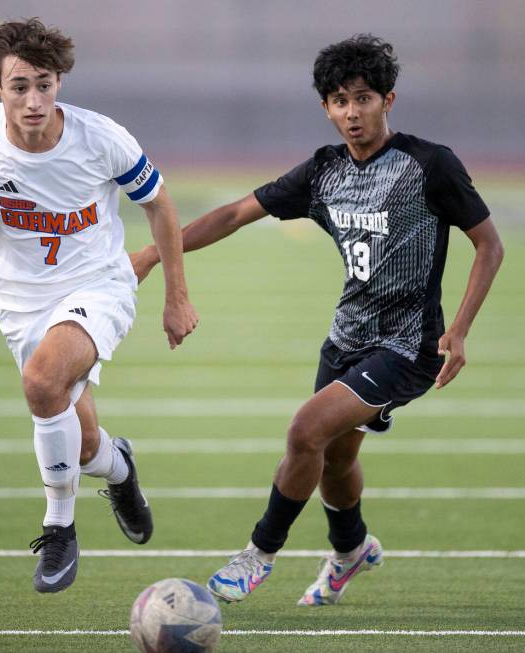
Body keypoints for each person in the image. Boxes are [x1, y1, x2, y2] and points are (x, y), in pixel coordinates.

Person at [130, 34, 503, 606]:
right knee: (334, 458)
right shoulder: (323, 171)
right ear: (326, 108)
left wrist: (462, 328)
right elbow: (234, 213)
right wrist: (156, 252)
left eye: (363, 98)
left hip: (407, 346)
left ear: (388, 100)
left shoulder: (430, 164)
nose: (352, 113)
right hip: (344, 340)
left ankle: (259, 553)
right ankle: (352, 550)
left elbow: (489, 245)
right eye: (338, 101)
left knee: (305, 430)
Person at [0, 18, 198, 594]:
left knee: (42, 383)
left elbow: (161, 206)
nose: (34, 99)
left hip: (99, 285)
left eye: (44, 83)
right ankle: (119, 469)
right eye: (19, 86)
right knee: (84, 443)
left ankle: (59, 530)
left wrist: (176, 296)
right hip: (20, 305)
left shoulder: (101, 139)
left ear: (60, 80)